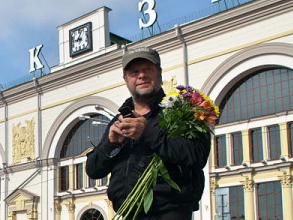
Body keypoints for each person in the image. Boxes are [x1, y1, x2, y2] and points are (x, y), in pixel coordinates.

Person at [86, 47, 211, 219]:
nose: (141, 76)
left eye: (147, 69)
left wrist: (148, 133)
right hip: (129, 214)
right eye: (134, 72)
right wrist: (110, 144)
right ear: (126, 79)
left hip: (169, 213)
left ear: (159, 73)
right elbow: (93, 171)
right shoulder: (120, 120)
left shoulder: (182, 111)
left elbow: (197, 154)